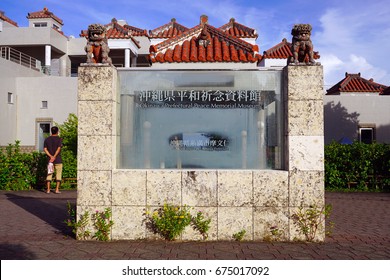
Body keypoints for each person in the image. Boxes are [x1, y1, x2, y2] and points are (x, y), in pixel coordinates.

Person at [43, 126, 63, 193]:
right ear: (57, 131)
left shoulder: (47, 139)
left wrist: (51, 156)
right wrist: (54, 156)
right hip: (58, 159)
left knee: (49, 174)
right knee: (58, 174)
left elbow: (45, 149)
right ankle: (57, 189)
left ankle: (48, 190)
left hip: (50, 160)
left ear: (51, 131)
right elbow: (58, 148)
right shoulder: (59, 139)